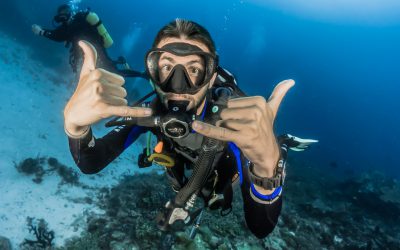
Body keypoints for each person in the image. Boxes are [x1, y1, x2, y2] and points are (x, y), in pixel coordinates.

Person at [63, 19, 317, 239]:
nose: (178, 84)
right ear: (153, 72)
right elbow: (90, 162)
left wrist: (266, 168)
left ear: (210, 77)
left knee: (232, 183)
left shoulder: (232, 123)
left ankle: (280, 145)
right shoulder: (149, 111)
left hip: (222, 176)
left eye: (194, 69)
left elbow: (261, 227)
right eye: (166, 67)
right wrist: (75, 126)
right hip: (185, 178)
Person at [32, 4, 145, 78]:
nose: (63, 14)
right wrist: (42, 31)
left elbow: (60, 35)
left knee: (114, 73)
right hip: (87, 54)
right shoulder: (68, 26)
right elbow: (59, 34)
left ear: (70, 12)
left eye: (65, 11)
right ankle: (121, 62)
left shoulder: (78, 20)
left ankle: (142, 74)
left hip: (96, 51)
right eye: (61, 12)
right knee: (101, 73)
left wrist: (42, 32)